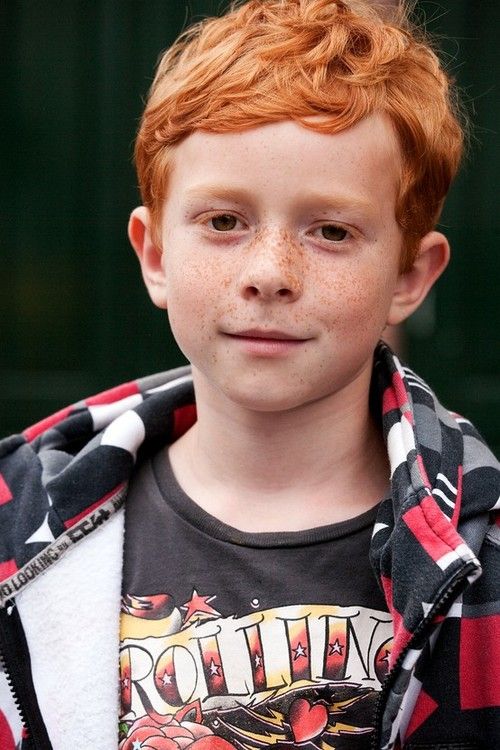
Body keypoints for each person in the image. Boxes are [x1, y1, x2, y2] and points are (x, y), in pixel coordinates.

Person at [0, 1, 498, 748]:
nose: (270, 274)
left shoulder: (483, 557)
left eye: (331, 231)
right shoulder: (20, 525)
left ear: (409, 274)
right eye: (224, 222)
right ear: (155, 254)